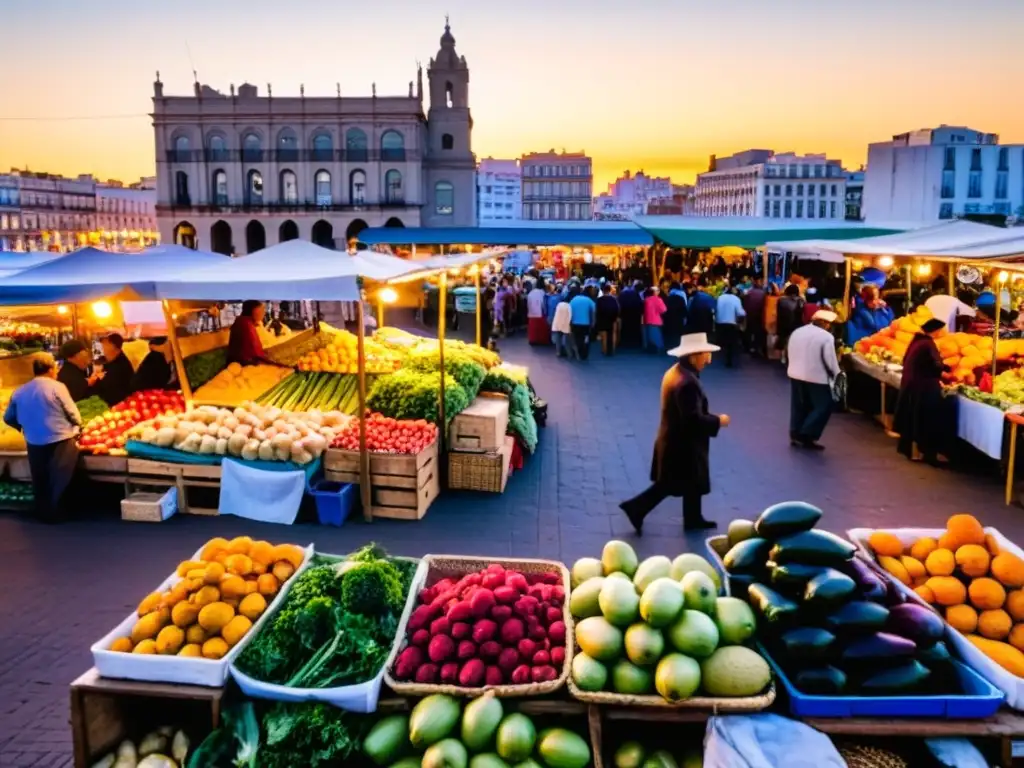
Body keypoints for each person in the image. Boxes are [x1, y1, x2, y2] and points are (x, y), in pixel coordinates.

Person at [618, 333, 729, 533]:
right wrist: (718, 421)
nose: (709, 360)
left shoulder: (677, 372)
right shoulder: (686, 383)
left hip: (676, 440)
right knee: (670, 484)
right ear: (694, 356)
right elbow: (693, 419)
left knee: (687, 482)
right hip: (681, 445)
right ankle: (636, 508)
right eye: (706, 355)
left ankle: (693, 517)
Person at [3, 354, 82, 523]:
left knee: (40, 477)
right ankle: (58, 513)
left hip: (33, 440)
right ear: (51, 370)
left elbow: (8, 417)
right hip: (60, 438)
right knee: (60, 477)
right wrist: (77, 427)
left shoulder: (19, 391)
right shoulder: (57, 387)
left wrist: (23, 428)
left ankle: (43, 513)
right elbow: (73, 413)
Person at [894, 318, 952, 465]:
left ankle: (912, 450)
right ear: (937, 331)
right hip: (923, 386)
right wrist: (946, 373)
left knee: (913, 419)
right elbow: (935, 365)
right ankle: (928, 453)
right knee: (927, 419)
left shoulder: (916, 341)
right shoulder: (928, 344)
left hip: (912, 385)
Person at [786, 309, 841, 450]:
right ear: (824, 323)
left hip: (795, 374)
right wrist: (837, 374)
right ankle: (807, 433)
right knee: (823, 406)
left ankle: (795, 432)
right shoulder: (826, 337)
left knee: (799, 405)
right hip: (817, 377)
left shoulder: (798, 331)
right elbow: (830, 360)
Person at [228, 300, 275, 366]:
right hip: (243, 363)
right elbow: (255, 351)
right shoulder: (246, 324)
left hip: (237, 360)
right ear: (254, 311)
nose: (264, 313)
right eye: (261, 310)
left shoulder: (241, 320)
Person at [96, 333, 135, 406]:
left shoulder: (122, 364)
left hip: (118, 406)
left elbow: (114, 389)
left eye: (106, 344)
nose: (103, 347)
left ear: (114, 347)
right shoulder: (107, 362)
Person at [715, 286, 746, 368]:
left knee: (723, 340)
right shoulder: (736, 299)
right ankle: (729, 359)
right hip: (731, 323)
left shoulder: (720, 298)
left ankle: (722, 354)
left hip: (720, 323)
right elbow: (740, 313)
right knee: (731, 342)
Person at [775, 284, 805, 363]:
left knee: (783, 339)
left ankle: (782, 357)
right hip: (796, 324)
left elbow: (778, 312)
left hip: (783, 323)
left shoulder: (781, 300)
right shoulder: (801, 300)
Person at [569, 283, 597, 361]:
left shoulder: (574, 299)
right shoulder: (588, 300)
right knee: (586, 338)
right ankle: (584, 353)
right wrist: (593, 321)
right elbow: (594, 310)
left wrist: (570, 321)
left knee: (577, 338)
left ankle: (578, 352)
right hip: (586, 323)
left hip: (575, 323)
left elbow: (569, 310)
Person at [743, 278, 767, 355]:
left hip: (750, 314)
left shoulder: (749, 292)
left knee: (749, 330)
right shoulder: (764, 293)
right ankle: (756, 347)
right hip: (759, 315)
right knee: (758, 332)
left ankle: (748, 347)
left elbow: (745, 302)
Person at [596, 282, 620, 355]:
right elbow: (617, 308)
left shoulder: (599, 300)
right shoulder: (613, 299)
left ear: (603, 291)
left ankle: (604, 349)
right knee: (613, 333)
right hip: (612, 318)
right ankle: (612, 349)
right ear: (609, 290)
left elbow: (597, 310)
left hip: (602, 319)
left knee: (604, 335)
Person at [618, 280, 644, 347]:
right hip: (635, 314)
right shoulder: (636, 295)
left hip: (625, 314)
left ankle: (624, 342)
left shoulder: (623, 294)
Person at [663, 282, 688, 352]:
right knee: (678, 335)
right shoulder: (681, 298)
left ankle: (669, 347)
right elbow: (684, 310)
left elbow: (664, 310)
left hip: (669, 319)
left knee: (670, 334)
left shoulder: (667, 299)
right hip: (678, 320)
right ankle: (678, 347)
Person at [526, 278, 551, 346]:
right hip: (540, 313)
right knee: (541, 329)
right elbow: (544, 304)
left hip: (531, 313)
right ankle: (542, 340)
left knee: (533, 328)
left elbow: (528, 303)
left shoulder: (531, 292)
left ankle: (533, 340)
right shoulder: (543, 292)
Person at [552, 292, 576, 359]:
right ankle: (569, 354)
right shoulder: (569, 306)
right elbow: (570, 316)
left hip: (557, 324)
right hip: (565, 324)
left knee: (558, 340)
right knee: (567, 341)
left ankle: (558, 352)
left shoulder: (559, 304)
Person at [643, 287, 667, 353]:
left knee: (649, 336)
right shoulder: (658, 299)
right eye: (657, 291)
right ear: (654, 292)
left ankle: (649, 349)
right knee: (657, 336)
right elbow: (664, 309)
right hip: (656, 320)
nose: (658, 292)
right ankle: (658, 349)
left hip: (647, 320)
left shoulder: (646, 300)